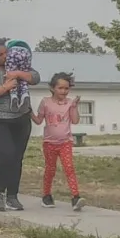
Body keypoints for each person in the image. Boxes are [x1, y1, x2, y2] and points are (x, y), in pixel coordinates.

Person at [0, 34, 40, 212]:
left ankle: (12, 195)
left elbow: (35, 77)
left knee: (16, 158)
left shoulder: (16, 65)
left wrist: (18, 74)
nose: (5, 57)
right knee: (2, 154)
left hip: (20, 119)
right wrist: (4, 88)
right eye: (1, 55)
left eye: (6, 53)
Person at [30, 72, 85, 211]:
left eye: (66, 88)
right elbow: (38, 121)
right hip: (49, 143)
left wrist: (74, 106)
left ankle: (76, 197)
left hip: (65, 142)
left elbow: (75, 120)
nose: (64, 91)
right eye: (60, 88)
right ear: (53, 88)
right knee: (50, 169)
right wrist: (28, 111)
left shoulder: (70, 103)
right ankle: (46, 196)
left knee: (69, 168)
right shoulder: (45, 102)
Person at [4, 38, 34, 109]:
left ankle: (13, 95)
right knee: (24, 75)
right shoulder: (24, 44)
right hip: (26, 52)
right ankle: (24, 94)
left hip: (12, 51)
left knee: (11, 75)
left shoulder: (8, 46)